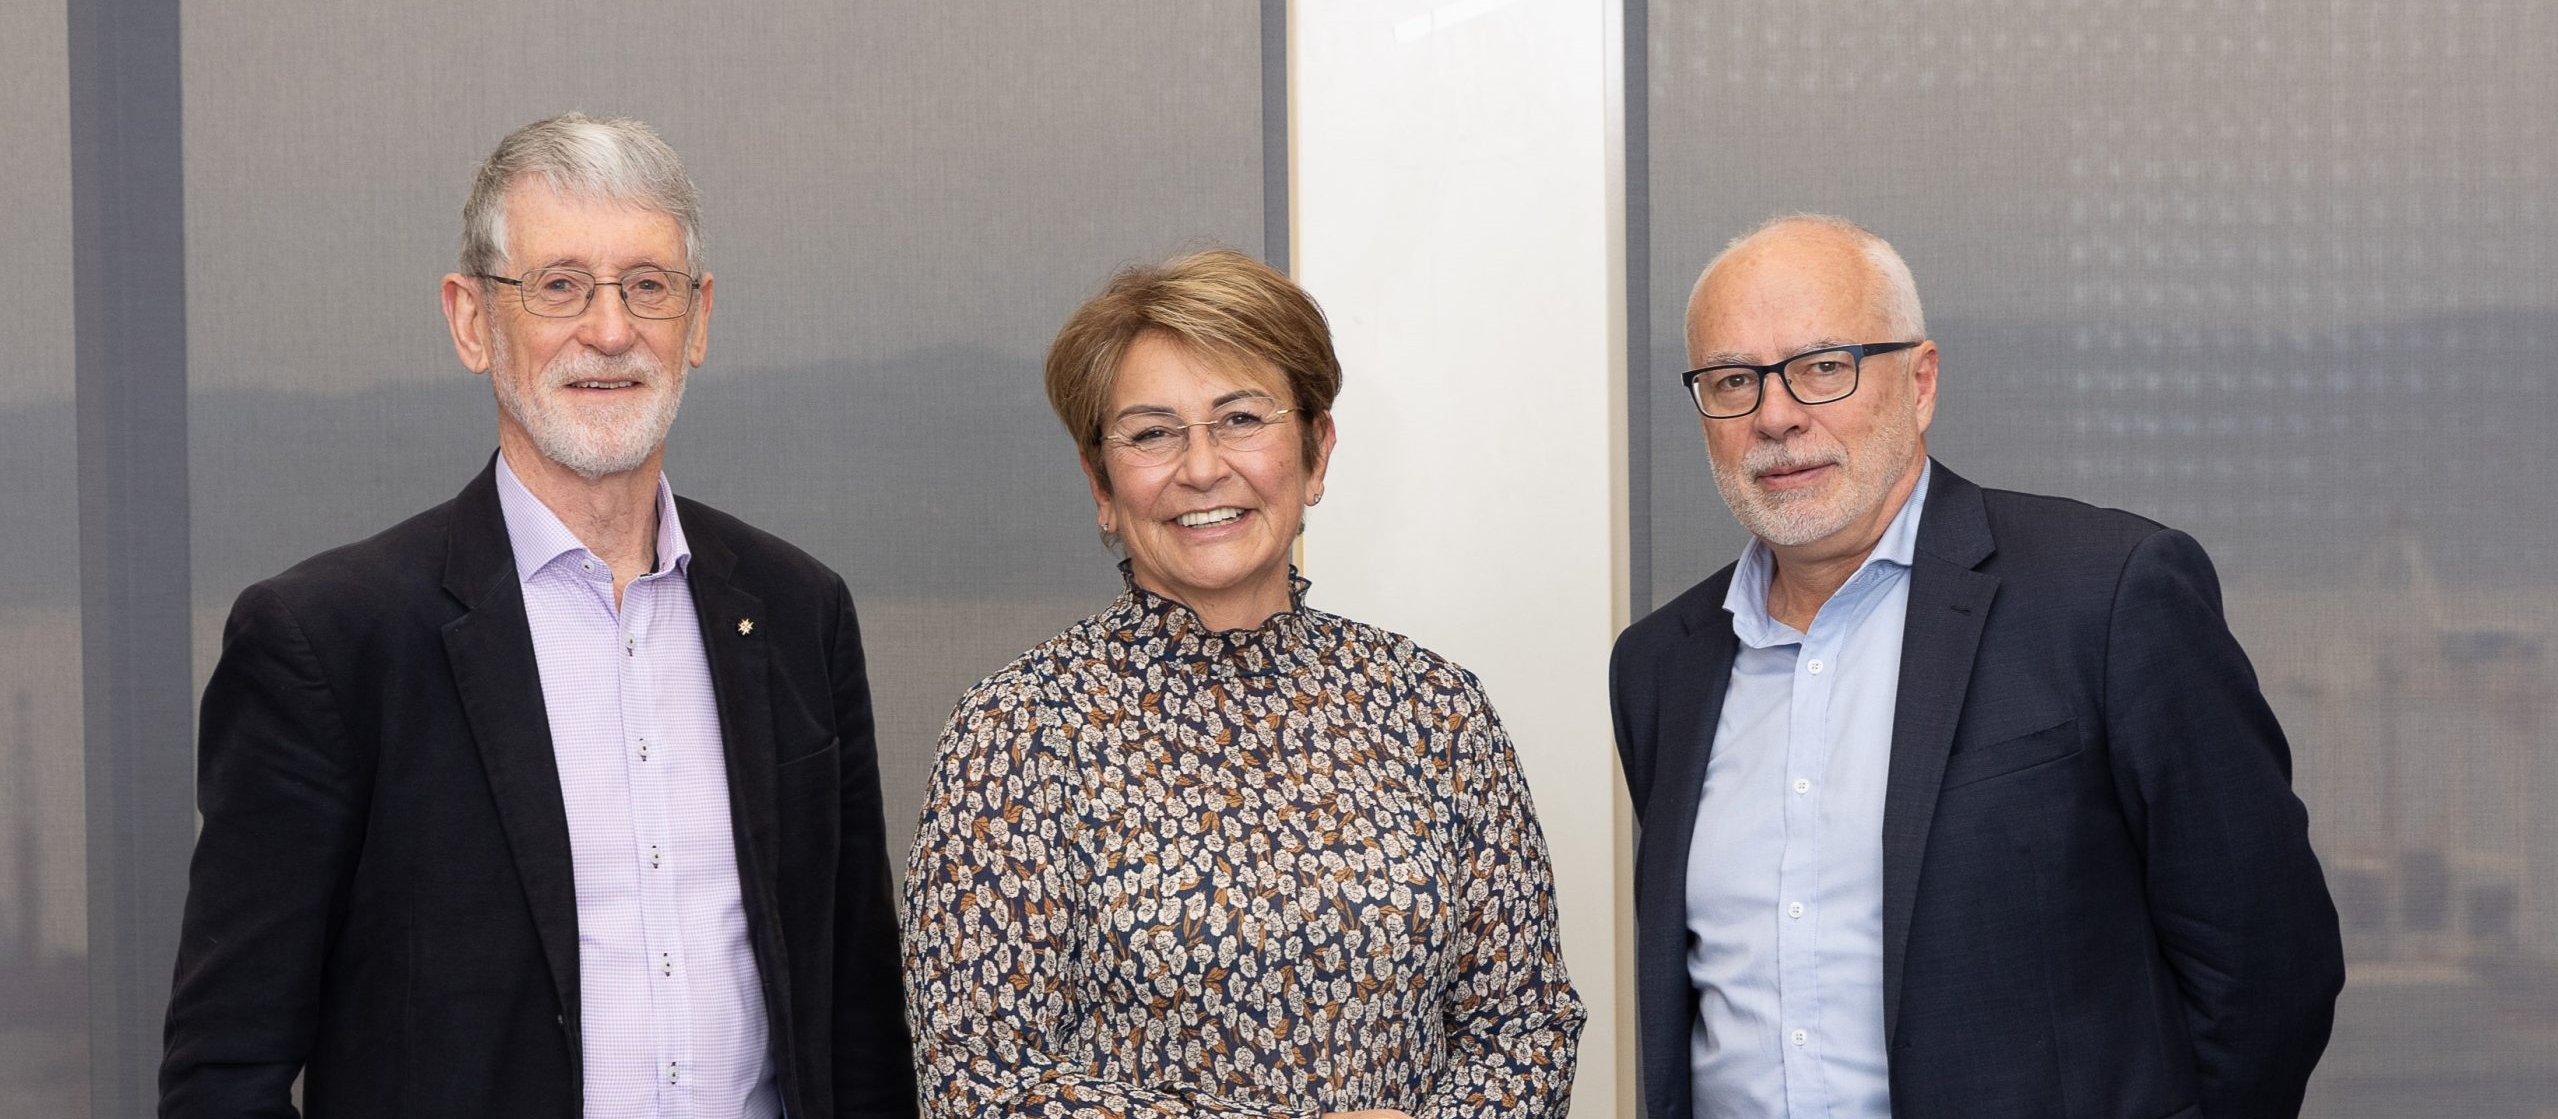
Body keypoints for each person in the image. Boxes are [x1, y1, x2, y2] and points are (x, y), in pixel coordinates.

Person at [160, 113, 915, 1118]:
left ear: (697, 321)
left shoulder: (796, 613)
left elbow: (857, 1024)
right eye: (559, 286)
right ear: (471, 320)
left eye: (648, 286)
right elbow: (225, 1074)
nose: (609, 331)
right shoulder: (328, 645)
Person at [1610, 215, 2345, 1119]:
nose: (1775, 414)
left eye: (1824, 366)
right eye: (1733, 381)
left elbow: (2270, 963)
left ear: (1919, 383)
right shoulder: (1660, 670)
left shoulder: (2104, 597)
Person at [900, 248, 1584, 1118]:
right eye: (1152, 432)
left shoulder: (1433, 708)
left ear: (1316, 449)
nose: (1201, 467)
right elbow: (976, 1080)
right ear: (1101, 483)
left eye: (1240, 419)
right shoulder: (1015, 731)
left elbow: (1527, 1024)